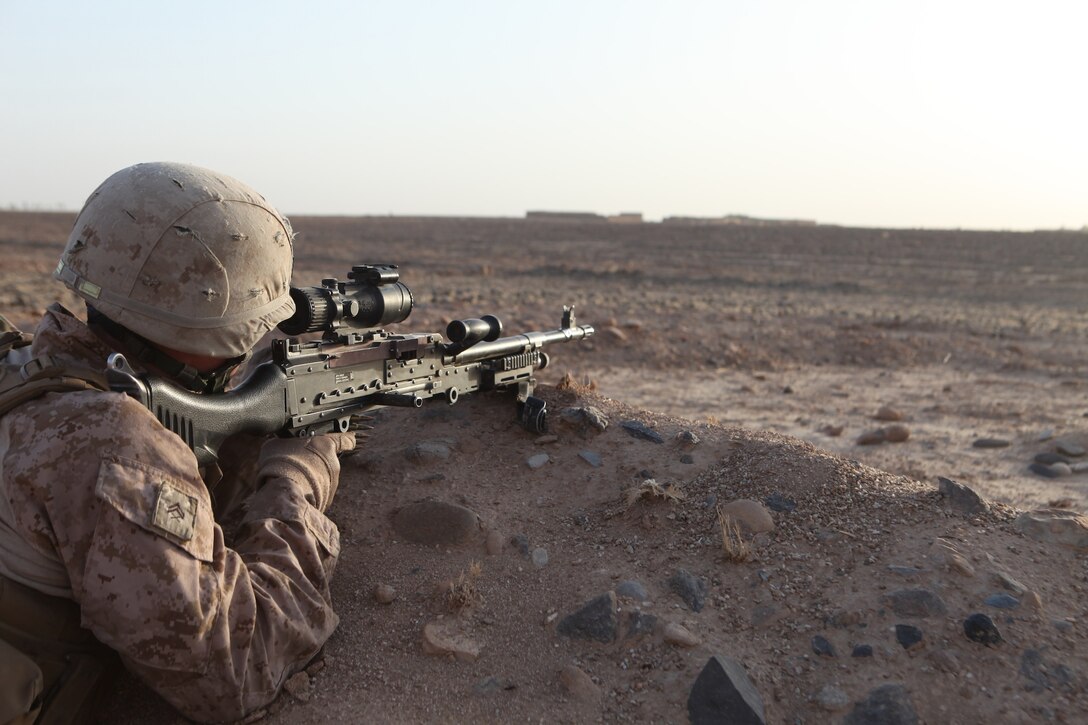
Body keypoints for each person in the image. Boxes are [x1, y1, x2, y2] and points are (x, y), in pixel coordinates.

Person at [0, 162, 355, 723]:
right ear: (209, 325)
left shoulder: (22, 366)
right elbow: (237, 670)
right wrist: (298, 473)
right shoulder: (114, 446)